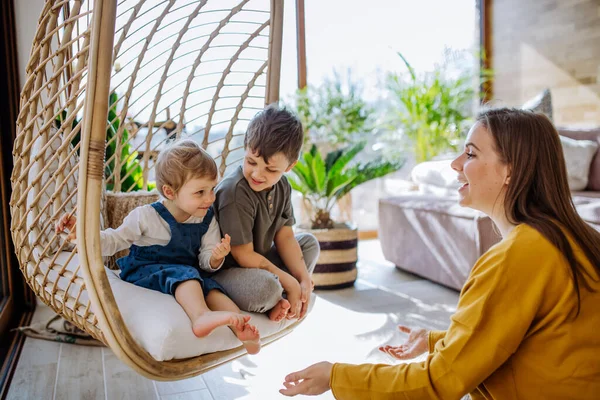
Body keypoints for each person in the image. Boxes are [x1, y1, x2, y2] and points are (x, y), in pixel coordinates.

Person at [279, 108, 600, 398]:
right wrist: (437, 341)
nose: (456, 164)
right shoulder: (579, 237)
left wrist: (334, 377)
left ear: (510, 172)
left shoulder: (518, 257)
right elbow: (539, 339)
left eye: (471, 154)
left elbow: (439, 382)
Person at [56, 140, 261, 354]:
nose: (210, 198)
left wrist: (215, 258)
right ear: (170, 192)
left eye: (212, 189)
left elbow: (205, 260)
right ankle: (200, 317)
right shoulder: (146, 216)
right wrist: (81, 235)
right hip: (146, 271)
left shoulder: (206, 218)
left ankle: (243, 329)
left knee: (211, 289)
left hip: (187, 276)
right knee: (188, 275)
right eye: (200, 192)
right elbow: (114, 241)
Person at [213, 105, 320, 322]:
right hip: (227, 271)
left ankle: (283, 298)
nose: (257, 174)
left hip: (261, 263)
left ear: (290, 166)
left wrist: (303, 278)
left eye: (271, 170)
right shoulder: (234, 192)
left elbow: (285, 236)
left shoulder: (282, 186)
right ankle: (277, 297)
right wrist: (290, 282)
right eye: (251, 162)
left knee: (308, 244)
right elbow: (243, 256)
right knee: (267, 288)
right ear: (245, 148)